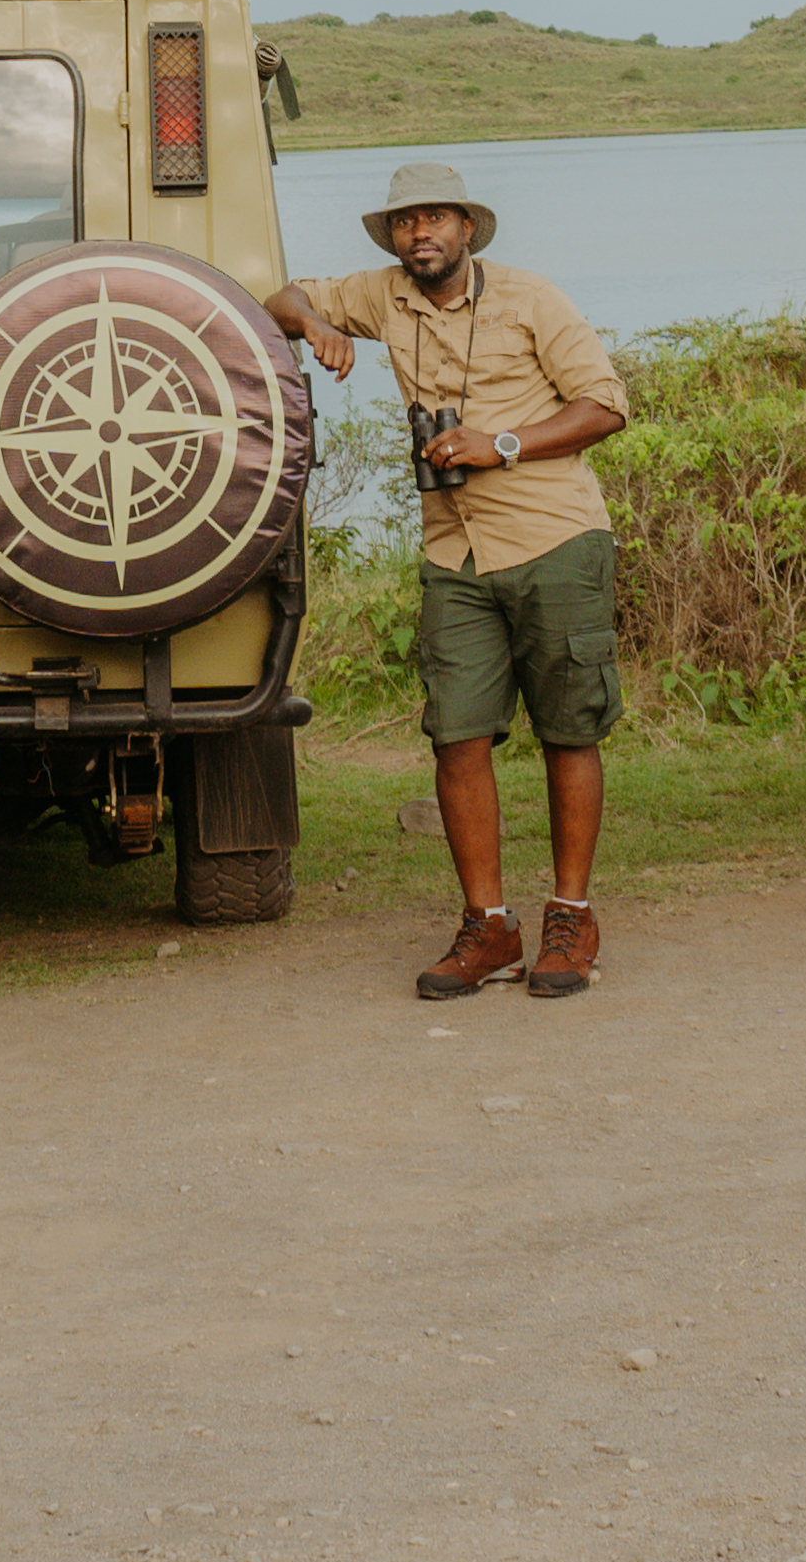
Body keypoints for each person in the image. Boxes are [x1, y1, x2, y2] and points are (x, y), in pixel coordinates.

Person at [262, 163, 634, 1002]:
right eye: (403, 222)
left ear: (467, 227)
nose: (418, 233)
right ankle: (489, 926)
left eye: (433, 219)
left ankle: (570, 918)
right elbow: (275, 299)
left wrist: (495, 443)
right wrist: (319, 327)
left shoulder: (532, 298)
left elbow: (606, 405)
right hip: (453, 552)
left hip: (554, 538)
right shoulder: (382, 295)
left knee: (570, 730)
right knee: (456, 737)